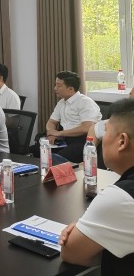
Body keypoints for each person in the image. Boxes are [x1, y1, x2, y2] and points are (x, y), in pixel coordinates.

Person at [59, 98, 134, 274]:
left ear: (122, 141)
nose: (102, 138)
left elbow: (72, 253)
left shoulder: (121, 198)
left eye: (106, 131)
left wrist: (91, 231)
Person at [43, 71, 102, 163]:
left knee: (56, 159)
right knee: (36, 151)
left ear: (70, 89)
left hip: (83, 140)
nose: (55, 88)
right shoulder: (62, 102)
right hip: (64, 138)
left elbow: (87, 127)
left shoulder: (85, 102)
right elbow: (51, 122)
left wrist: (59, 133)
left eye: (59, 86)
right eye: (55, 85)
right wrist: (51, 133)